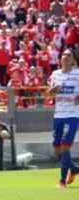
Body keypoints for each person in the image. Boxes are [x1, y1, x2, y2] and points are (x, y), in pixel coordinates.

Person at [47, 48, 79, 188]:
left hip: (72, 115)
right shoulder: (55, 74)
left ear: (73, 60)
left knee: (65, 146)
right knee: (56, 150)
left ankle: (61, 181)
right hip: (58, 115)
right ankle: (74, 169)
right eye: (64, 54)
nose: (66, 56)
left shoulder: (77, 74)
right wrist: (52, 91)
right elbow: (49, 93)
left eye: (69, 55)